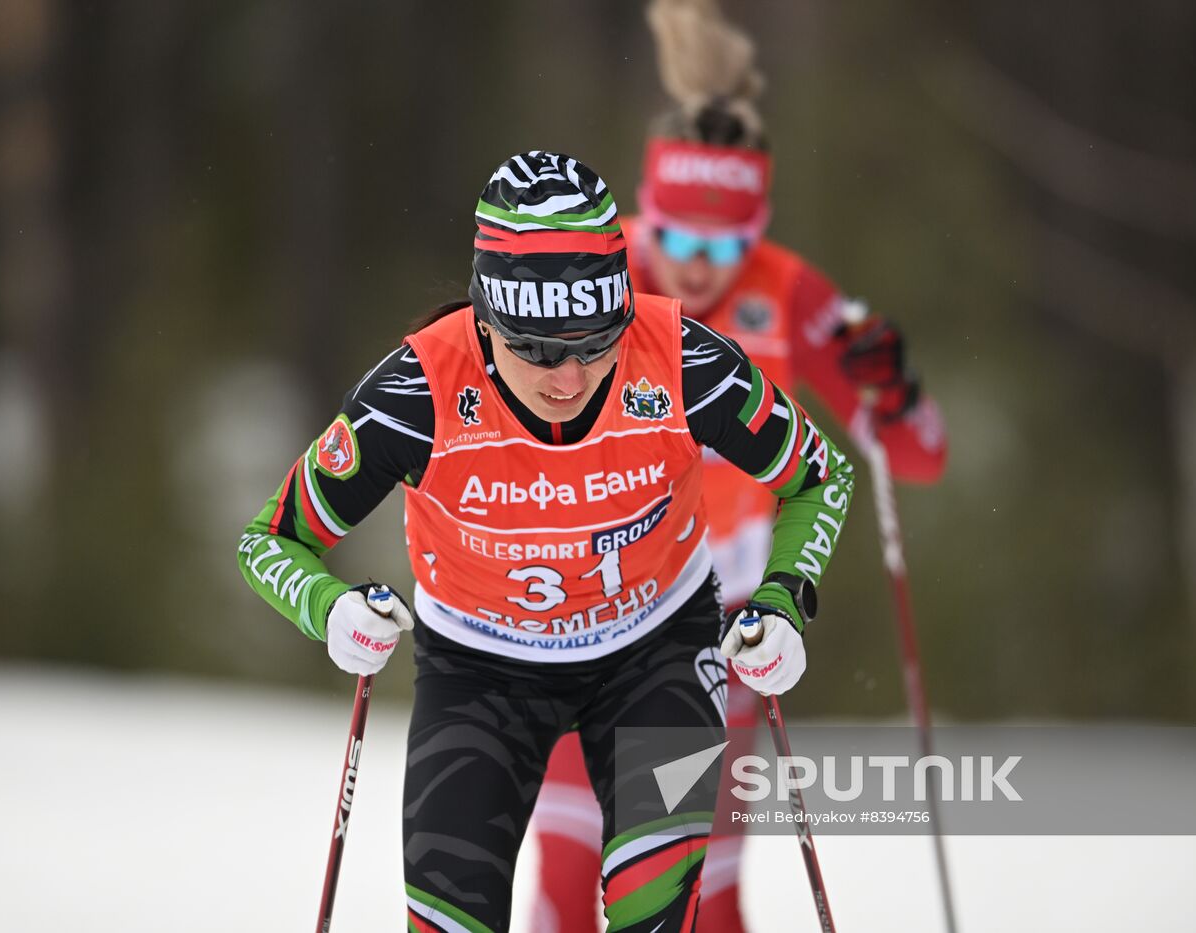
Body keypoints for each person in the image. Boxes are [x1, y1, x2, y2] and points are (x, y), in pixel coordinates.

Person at [238, 150, 855, 932]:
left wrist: (784, 596)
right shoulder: (417, 392)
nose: (567, 377)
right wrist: (328, 608)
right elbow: (269, 539)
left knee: (654, 911)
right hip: (481, 668)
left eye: (596, 343)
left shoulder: (681, 359)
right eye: (533, 348)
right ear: (484, 316)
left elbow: (819, 474)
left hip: (654, 651)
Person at [528, 3, 949, 932]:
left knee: (702, 894)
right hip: (583, 613)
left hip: (723, 637)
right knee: (568, 877)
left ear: (755, 230)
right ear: (646, 217)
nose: (698, 268)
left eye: (725, 246)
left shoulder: (788, 291)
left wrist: (897, 386)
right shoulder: (589, 273)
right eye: (675, 239)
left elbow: (915, 454)